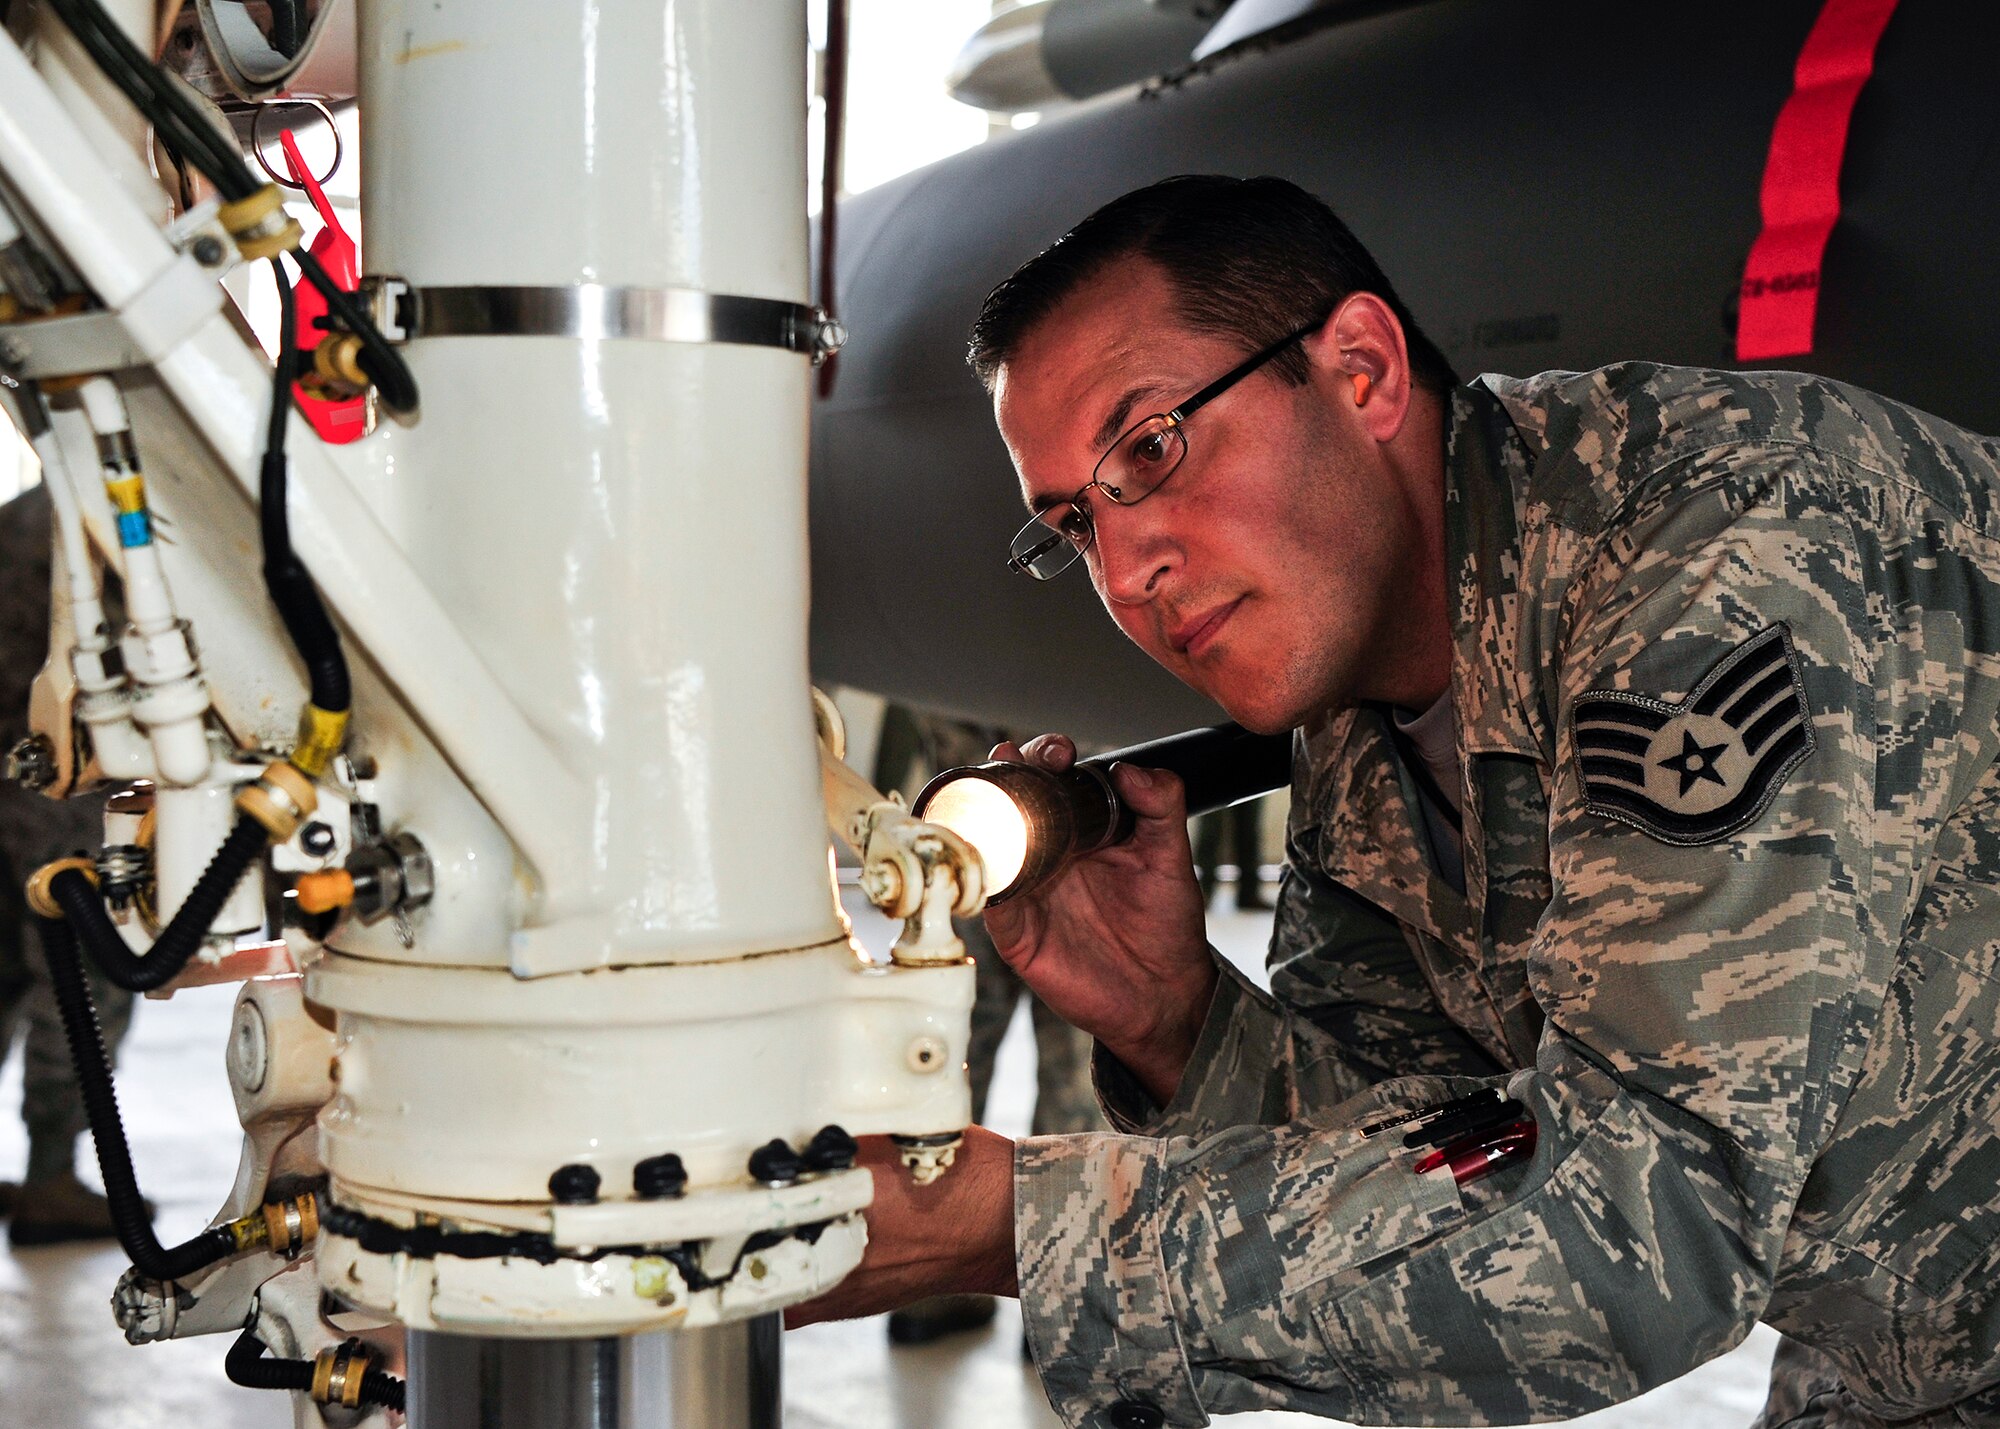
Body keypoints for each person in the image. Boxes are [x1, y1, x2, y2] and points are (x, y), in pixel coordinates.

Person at [790, 175, 2000, 1429]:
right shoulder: (1358, 705)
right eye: (1071, 528)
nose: (1129, 568)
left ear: (1359, 370)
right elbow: (1438, 1154)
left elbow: (1648, 1223)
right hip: (1914, 1331)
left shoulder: (1719, 550)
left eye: (1149, 448)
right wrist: (1174, 1017)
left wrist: (1019, 1225)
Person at [0, 481, 134, 1245]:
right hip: (64, 794)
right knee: (81, 981)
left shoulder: (25, 514)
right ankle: (52, 1174)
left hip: (12, 784)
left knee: (9, 981)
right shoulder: (104, 528)